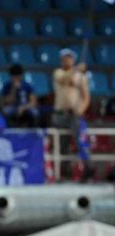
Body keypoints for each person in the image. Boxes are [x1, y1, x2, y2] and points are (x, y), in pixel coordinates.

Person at [52, 48, 91, 177]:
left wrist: (81, 109)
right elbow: (64, 79)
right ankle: (64, 173)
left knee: (81, 141)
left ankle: (88, 168)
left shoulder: (81, 77)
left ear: (73, 59)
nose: (67, 60)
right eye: (65, 58)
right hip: (60, 114)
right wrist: (76, 70)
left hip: (74, 115)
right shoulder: (58, 73)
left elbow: (86, 97)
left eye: (69, 58)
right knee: (62, 145)